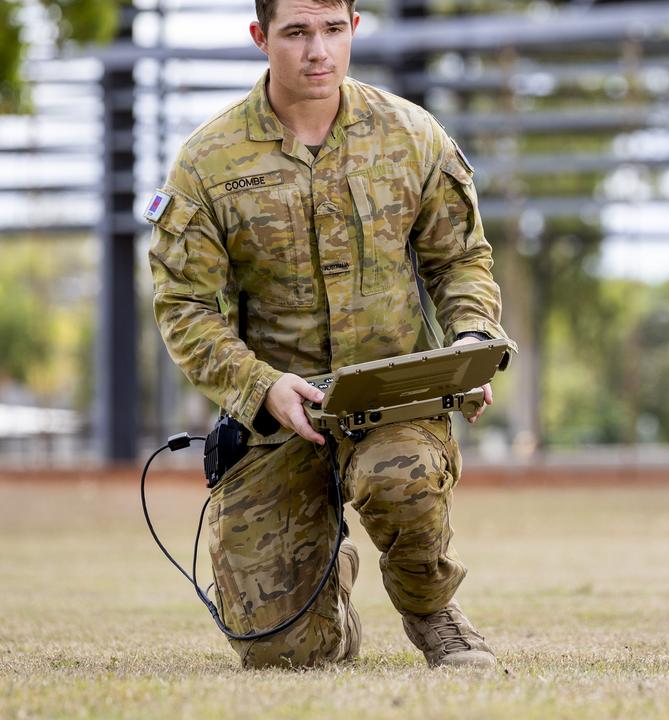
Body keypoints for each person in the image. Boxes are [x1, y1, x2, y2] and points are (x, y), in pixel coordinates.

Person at [146, 0, 510, 669]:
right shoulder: (206, 162)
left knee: (399, 478)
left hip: (393, 400)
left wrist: (470, 342)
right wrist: (259, 386)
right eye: (296, 33)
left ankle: (433, 614)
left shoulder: (411, 136)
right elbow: (185, 307)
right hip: (277, 415)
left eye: (333, 30)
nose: (318, 51)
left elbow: (459, 259)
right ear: (261, 38)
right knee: (284, 657)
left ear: (354, 30)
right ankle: (327, 577)